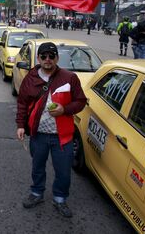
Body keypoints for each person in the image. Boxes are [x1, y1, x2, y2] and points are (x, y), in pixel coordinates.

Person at [16, 42, 87, 218]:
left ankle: (60, 198)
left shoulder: (69, 77)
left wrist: (65, 110)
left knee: (63, 171)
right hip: (38, 134)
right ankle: (37, 193)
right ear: (38, 58)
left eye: (51, 56)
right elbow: (22, 103)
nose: (48, 59)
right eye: (44, 56)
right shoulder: (30, 78)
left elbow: (80, 101)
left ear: (57, 58)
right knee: (37, 167)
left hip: (62, 136)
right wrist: (20, 125)